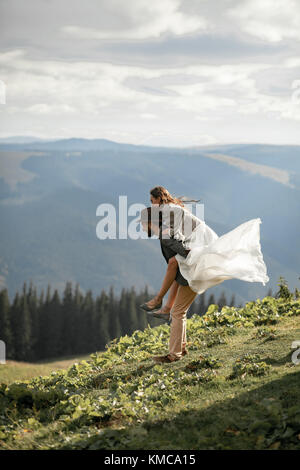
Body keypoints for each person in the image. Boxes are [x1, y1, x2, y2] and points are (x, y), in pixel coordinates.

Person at [139, 206, 197, 363]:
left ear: (150, 223)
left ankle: (174, 355)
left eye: (143, 224)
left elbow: (178, 259)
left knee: (177, 312)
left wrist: (159, 297)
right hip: (189, 273)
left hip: (191, 273)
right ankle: (181, 349)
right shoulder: (166, 232)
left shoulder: (165, 236)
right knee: (179, 312)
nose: (142, 228)